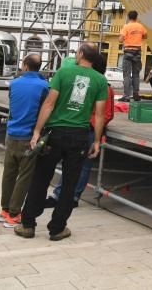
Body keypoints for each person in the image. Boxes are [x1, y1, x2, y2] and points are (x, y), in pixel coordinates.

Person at [16, 43, 108, 241]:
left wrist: (37, 131)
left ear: (81, 54)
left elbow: (49, 104)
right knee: (69, 183)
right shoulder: (100, 80)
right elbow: (99, 115)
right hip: (80, 135)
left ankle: (28, 224)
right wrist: (97, 141)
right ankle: (57, 228)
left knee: (41, 178)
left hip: (55, 133)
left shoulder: (63, 73)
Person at [47, 53, 115, 208]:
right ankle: (61, 195)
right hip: (80, 128)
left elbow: (106, 114)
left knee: (81, 166)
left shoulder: (103, 85)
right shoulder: (87, 82)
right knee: (72, 165)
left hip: (89, 130)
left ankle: (71, 197)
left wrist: (94, 127)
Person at [0, 54, 48, 227]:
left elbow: (13, 105)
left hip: (11, 133)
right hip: (29, 137)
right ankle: (14, 214)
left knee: (9, 173)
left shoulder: (14, 84)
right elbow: (45, 109)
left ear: (26, 66)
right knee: (24, 177)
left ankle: (5, 209)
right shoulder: (44, 86)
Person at [118, 10, 147, 102]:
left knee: (126, 75)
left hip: (128, 51)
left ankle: (126, 96)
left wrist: (125, 37)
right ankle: (136, 95)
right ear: (136, 17)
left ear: (128, 17)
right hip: (137, 52)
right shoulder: (140, 26)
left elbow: (120, 40)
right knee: (136, 75)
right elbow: (145, 36)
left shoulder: (126, 26)